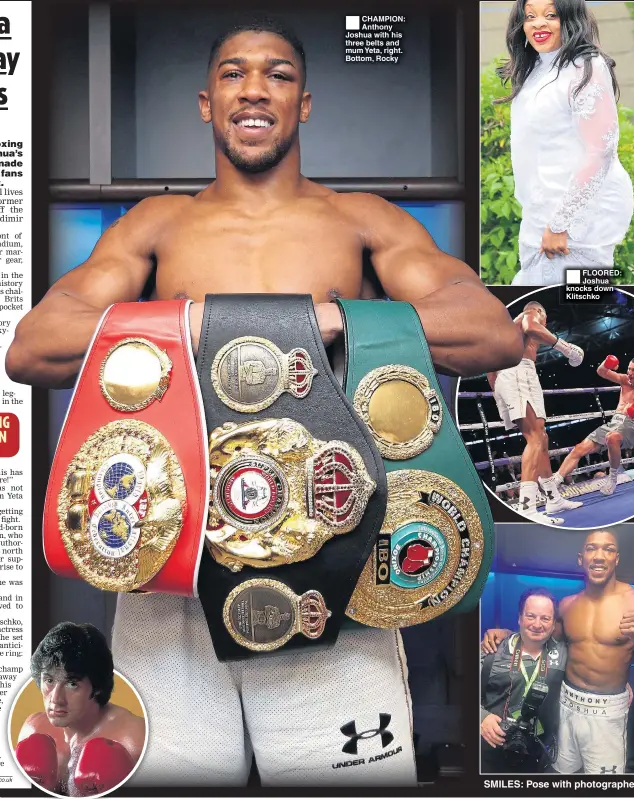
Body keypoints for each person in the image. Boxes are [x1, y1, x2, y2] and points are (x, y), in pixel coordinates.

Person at [5, 17, 522, 789]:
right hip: (172, 567)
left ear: (304, 103)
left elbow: (489, 332)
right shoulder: (156, 225)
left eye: (277, 75)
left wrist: (333, 317)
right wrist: (198, 323)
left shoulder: (362, 220)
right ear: (206, 102)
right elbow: (34, 345)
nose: (254, 89)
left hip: (333, 570)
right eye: (234, 74)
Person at [495, 0, 633, 285]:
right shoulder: (535, 69)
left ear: (570, 20)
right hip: (541, 217)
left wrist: (561, 224)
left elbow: (600, 151)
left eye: (551, 15)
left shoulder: (585, 67)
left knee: (572, 314)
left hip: (576, 223)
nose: (538, 24)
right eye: (530, 16)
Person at [482, 529, 634, 774]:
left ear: (616, 558)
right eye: (591, 549)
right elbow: (538, 634)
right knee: (559, 775)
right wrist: (504, 632)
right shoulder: (568, 605)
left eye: (608, 549)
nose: (599, 556)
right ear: (581, 558)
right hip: (565, 706)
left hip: (607, 712)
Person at [16, 623, 145, 796]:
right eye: (49, 681)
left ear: (97, 686)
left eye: (72, 684)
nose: (56, 699)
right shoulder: (32, 728)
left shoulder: (134, 738)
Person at [487, 300, 583, 523]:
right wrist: (565, 347)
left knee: (541, 437)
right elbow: (532, 326)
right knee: (534, 439)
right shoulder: (532, 313)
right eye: (544, 319)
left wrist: (498, 394)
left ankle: (553, 499)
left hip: (506, 377)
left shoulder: (509, 331)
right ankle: (528, 508)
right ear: (542, 313)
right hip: (519, 374)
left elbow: (491, 368)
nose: (543, 323)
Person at [480, 588, 566, 773]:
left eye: (545, 618)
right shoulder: (490, 652)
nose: (537, 624)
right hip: (492, 747)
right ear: (519, 618)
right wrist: (482, 717)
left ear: (553, 625)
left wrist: (621, 683)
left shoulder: (564, 655)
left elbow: (586, 675)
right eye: (530, 616)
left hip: (537, 752)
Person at [555, 356, 634, 496]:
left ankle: (613, 478)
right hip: (613, 422)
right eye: (628, 369)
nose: (630, 373)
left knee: (612, 437)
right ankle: (554, 482)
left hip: (631, 426)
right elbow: (601, 372)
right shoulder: (624, 380)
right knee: (579, 448)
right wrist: (606, 364)